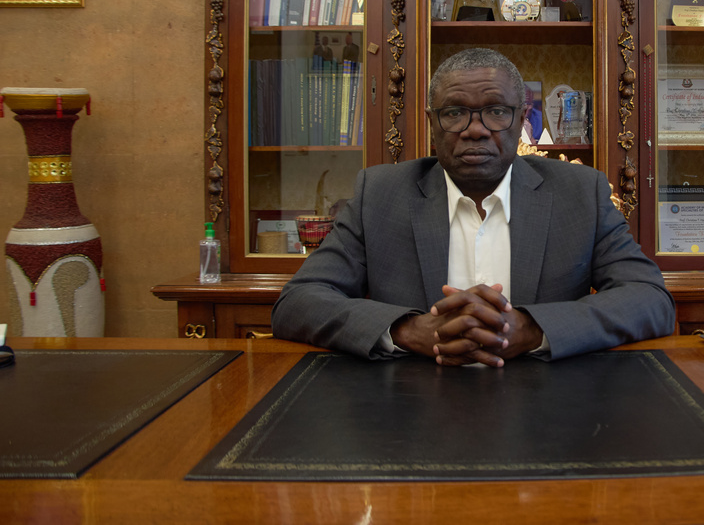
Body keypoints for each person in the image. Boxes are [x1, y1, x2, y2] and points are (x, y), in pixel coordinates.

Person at [272, 47, 675, 366]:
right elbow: (298, 303)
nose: (476, 129)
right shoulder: (380, 194)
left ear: (523, 119)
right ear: (432, 123)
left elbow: (650, 299)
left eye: (497, 111)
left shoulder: (578, 192)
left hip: (547, 410)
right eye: (454, 112)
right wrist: (408, 331)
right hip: (409, 412)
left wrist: (534, 331)